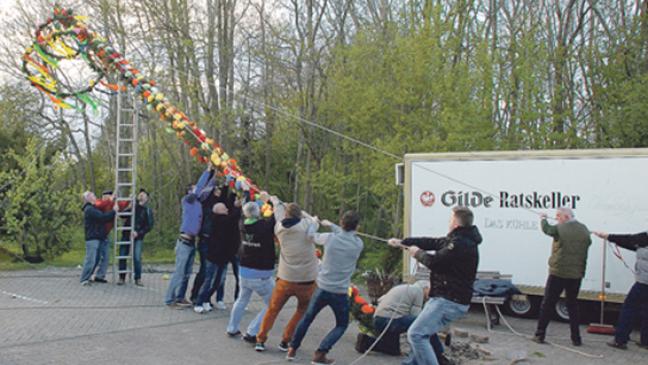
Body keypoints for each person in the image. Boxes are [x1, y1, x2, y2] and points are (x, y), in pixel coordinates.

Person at [388, 206, 481, 365]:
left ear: (456, 223)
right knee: (425, 334)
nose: (448, 221)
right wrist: (404, 242)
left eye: (450, 218)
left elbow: (434, 262)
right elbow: (432, 242)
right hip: (446, 298)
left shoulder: (459, 244)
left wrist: (417, 253)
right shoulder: (457, 239)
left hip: (449, 300)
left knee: (416, 334)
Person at [287, 211, 364, 364]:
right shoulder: (358, 244)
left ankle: (292, 349)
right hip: (340, 291)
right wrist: (332, 225)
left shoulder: (329, 238)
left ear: (342, 223)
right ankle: (320, 352)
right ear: (357, 227)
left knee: (307, 319)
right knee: (342, 325)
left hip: (322, 288)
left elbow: (310, 235)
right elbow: (346, 234)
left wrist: (313, 222)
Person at [255, 197, 319, 353]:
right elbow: (314, 222)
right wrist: (311, 217)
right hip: (307, 280)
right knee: (302, 310)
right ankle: (285, 340)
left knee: (273, 309)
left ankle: (261, 339)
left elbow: (278, 213)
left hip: (285, 278)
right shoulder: (306, 225)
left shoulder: (278, 228)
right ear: (299, 216)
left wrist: (275, 201)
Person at [532, 208, 591, 346]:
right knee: (572, 305)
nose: (557, 219)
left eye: (558, 216)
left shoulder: (561, 228)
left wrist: (543, 219)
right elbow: (588, 243)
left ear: (565, 217)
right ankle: (576, 338)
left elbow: (548, 230)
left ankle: (540, 334)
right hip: (577, 274)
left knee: (548, 303)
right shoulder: (584, 229)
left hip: (559, 272)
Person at [164, 166, 214, 308]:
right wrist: (207, 171)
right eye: (193, 188)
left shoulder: (199, 202)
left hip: (192, 242)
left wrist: (215, 176)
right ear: (189, 191)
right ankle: (169, 299)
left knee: (187, 274)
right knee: (179, 273)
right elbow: (199, 188)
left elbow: (207, 189)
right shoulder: (188, 200)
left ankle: (180, 297)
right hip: (184, 242)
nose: (197, 189)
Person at [226, 201, 276, 342]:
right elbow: (273, 219)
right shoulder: (264, 227)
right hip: (261, 274)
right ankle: (252, 331)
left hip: (244, 271)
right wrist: (271, 202)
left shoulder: (242, 223)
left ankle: (232, 328)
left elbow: (246, 212)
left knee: (241, 299)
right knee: (272, 304)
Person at [592, 230, 648, 350]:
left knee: (629, 310)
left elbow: (629, 239)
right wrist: (612, 239)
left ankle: (620, 340)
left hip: (643, 283)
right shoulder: (642, 242)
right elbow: (632, 244)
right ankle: (646, 341)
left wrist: (608, 236)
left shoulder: (644, 238)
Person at [373, 282, 451, 365]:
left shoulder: (405, 288)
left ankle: (366, 341)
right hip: (391, 320)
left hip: (378, 320)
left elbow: (380, 300)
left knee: (393, 349)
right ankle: (439, 355)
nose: (431, 296)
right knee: (423, 326)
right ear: (426, 288)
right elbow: (418, 321)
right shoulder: (418, 292)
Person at [193, 199, 242, 313]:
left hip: (223, 257)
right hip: (214, 256)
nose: (227, 210)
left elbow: (233, 220)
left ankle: (206, 299)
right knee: (209, 280)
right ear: (219, 211)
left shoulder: (225, 220)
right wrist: (237, 207)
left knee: (218, 281)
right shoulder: (218, 220)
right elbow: (232, 218)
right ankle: (199, 302)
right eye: (224, 209)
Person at [189, 181, 223, 303]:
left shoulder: (220, 204)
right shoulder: (206, 204)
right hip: (205, 239)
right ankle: (195, 295)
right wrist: (213, 175)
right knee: (204, 270)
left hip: (214, 242)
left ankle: (205, 297)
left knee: (214, 273)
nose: (219, 192)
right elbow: (207, 191)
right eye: (217, 190)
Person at [117, 189, 154, 286]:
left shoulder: (148, 210)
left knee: (137, 257)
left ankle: (138, 278)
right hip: (126, 234)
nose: (141, 196)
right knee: (122, 255)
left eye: (144, 195)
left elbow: (149, 226)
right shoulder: (133, 206)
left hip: (138, 237)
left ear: (147, 198)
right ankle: (122, 277)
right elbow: (122, 216)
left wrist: (138, 233)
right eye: (140, 194)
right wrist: (128, 206)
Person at [80, 192, 117, 286]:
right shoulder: (90, 209)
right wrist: (113, 211)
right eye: (93, 195)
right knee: (91, 259)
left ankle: (98, 276)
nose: (95, 196)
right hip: (93, 238)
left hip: (99, 236)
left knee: (99, 258)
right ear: (88, 198)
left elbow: (103, 208)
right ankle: (84, 279)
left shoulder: (93, 208)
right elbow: (103, 217)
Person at [92, 190, 127, 283]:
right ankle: (88, 274)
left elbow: (123, 204)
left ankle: (100, 276)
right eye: (104, 197)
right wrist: (109, 200)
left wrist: (130, 199)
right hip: (96, 234)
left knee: (106, 257)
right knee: (95, 257)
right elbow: (98, 205)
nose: (105, 198)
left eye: (107, 197)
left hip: (105, 235)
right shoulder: (100, 202)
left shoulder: (113, 204)